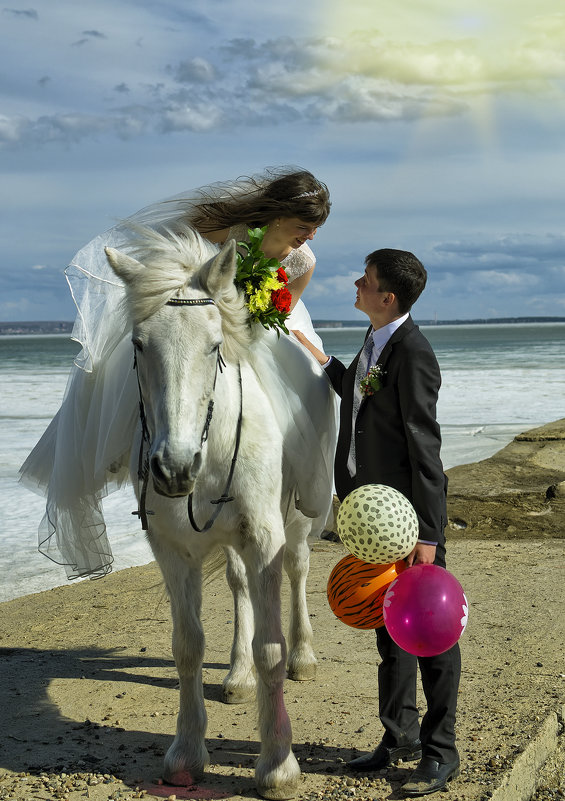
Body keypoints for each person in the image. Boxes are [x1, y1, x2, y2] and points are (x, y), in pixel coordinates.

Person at [19, 167, 337, 580]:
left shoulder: (303, 261)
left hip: (258, 327)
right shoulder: (218, 223)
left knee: (315, 384)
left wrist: (250, 316)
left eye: (315, 229)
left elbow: (284, 310)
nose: (309, 237)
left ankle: (310, 484)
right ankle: (126, 452)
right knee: (135, 368)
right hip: (194, 318)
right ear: (277, 215)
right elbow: (169, 265)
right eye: (304, 226)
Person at [293, 248, 461, 797]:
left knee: (431, 639)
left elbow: (424, 448)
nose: (355, 284)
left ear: (387, 297)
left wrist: (430, 537)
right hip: (373, 522)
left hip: (410, 525)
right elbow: (364, 403)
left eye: (364, 280)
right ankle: (399, 738)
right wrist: (321, 362)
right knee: (388, 633)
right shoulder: (376, 342)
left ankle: (440, 754)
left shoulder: (412, 352)